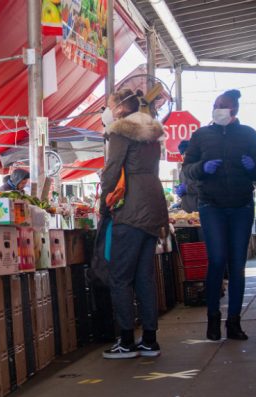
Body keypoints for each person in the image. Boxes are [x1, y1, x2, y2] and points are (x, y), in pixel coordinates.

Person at [183, 89, 256, 341]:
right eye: (216, 104)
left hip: (241, 206)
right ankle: (213, 318)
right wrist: (202, 168)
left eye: (223, 106)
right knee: (217, 260)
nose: (218, 109)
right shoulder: (201, 135)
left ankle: (234, 322)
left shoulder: (249, 134)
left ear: (234, 110)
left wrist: (253, 168)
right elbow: (188, 168)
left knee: (237, 265)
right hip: (212, 206)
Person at [99, 88, 168, 359]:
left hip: (130, 209)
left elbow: (112, 169)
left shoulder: (120, 131)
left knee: (120, 277)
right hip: (153, 205)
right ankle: (149, 340)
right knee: (144, 278)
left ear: (118, 109)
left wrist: (104, 202)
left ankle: (126, 341)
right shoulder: (151, 134)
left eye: (109, 105)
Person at [174, 140, 199, 213]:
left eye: (186, 153)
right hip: (186, 211)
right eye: (182, 154)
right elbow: (183, 188)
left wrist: (187, 188)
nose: (184, 156)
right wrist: (180, 200)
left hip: (199, 210)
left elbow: (205, 187)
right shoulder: (182, 170)